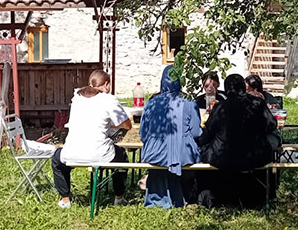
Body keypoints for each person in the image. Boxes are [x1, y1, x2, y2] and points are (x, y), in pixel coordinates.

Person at [50, 70, 132, 209]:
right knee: (121, 157)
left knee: (57, 160)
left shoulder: (77, 97)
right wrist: (111, 124)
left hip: (72, 151)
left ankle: (65, 200)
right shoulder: (108, 99)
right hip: (99, 153)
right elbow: (127, 125)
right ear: (106, 85)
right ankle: (119, 197)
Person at [197, 74, 278, 208]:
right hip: (255, 156)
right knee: (272, 140)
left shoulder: (220, 108)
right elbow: (271, 125)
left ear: (227, 89)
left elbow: (207, 134)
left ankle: (207, 195)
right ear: (243, 87)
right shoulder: (258, 103)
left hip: (224, 158)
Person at [140, 66, 201, 209]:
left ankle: (158, 196)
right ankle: (183, 195)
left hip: (154, 153)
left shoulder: (151, 103)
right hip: (183, 154)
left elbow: (143, 134)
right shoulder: (189, 102)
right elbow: (196, 133)